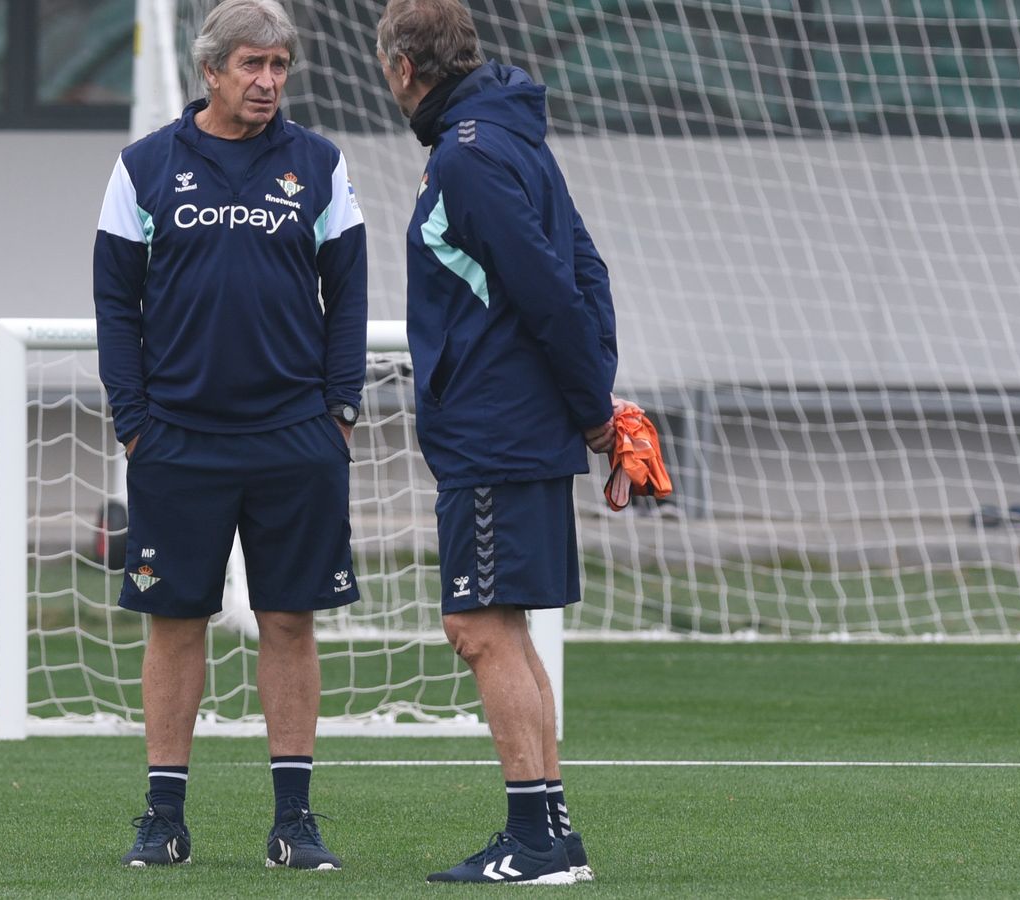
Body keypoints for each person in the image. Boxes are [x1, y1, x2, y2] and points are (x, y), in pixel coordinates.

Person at [93, 0, 367, 872]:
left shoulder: (320, 165)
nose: (268, 82)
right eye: (252, 66)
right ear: (210, 71)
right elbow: (114, 301)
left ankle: (295, 821)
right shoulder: (142, 168)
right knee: (175, 622)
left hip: (295, 436)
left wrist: (341, 410)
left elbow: (350, 292)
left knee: (289, 620)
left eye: (280, 66)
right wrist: (134, 422)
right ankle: (162, 817)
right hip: (178, 439)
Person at [376, 0, 627, 885]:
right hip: (515, 423)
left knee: (477, 626)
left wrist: (596, 409)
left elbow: (551, 291)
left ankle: (534, 842)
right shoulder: (512, 138)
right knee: (504, 627)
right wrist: (595, 393)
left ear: (404, 69)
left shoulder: (468, 155)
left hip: (496, 428)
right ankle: (551, 835)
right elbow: (585, 270)